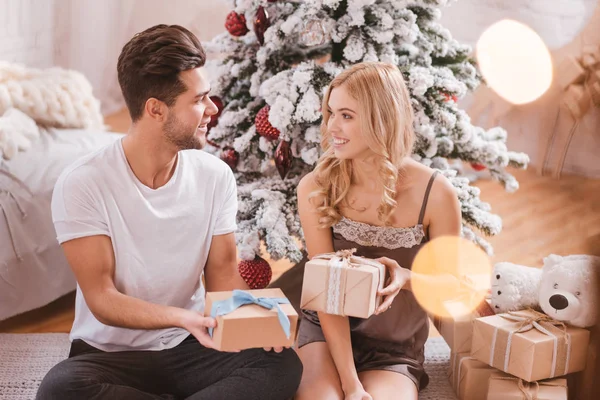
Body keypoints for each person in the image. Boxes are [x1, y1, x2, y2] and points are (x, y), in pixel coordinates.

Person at [36, 24, 302, 400]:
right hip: (111, 355)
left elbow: (224, 275)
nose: (212, 110)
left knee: (281, 364)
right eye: (199, 100)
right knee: (61, 389)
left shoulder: (213, 176)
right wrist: (182, 317)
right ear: (155, 110)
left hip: (191, 347)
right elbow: (103, 299)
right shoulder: (83, 183)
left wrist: (262, 319)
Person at [294, 62, 462, 400]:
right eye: (330, 113)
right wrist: (351, 385)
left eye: (347, 115)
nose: (332, 127)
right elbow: (327, 297)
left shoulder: (436, 193)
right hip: (327, 334)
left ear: (381, 119)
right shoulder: (315, 186)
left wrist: (406, 276)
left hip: (394, 346)